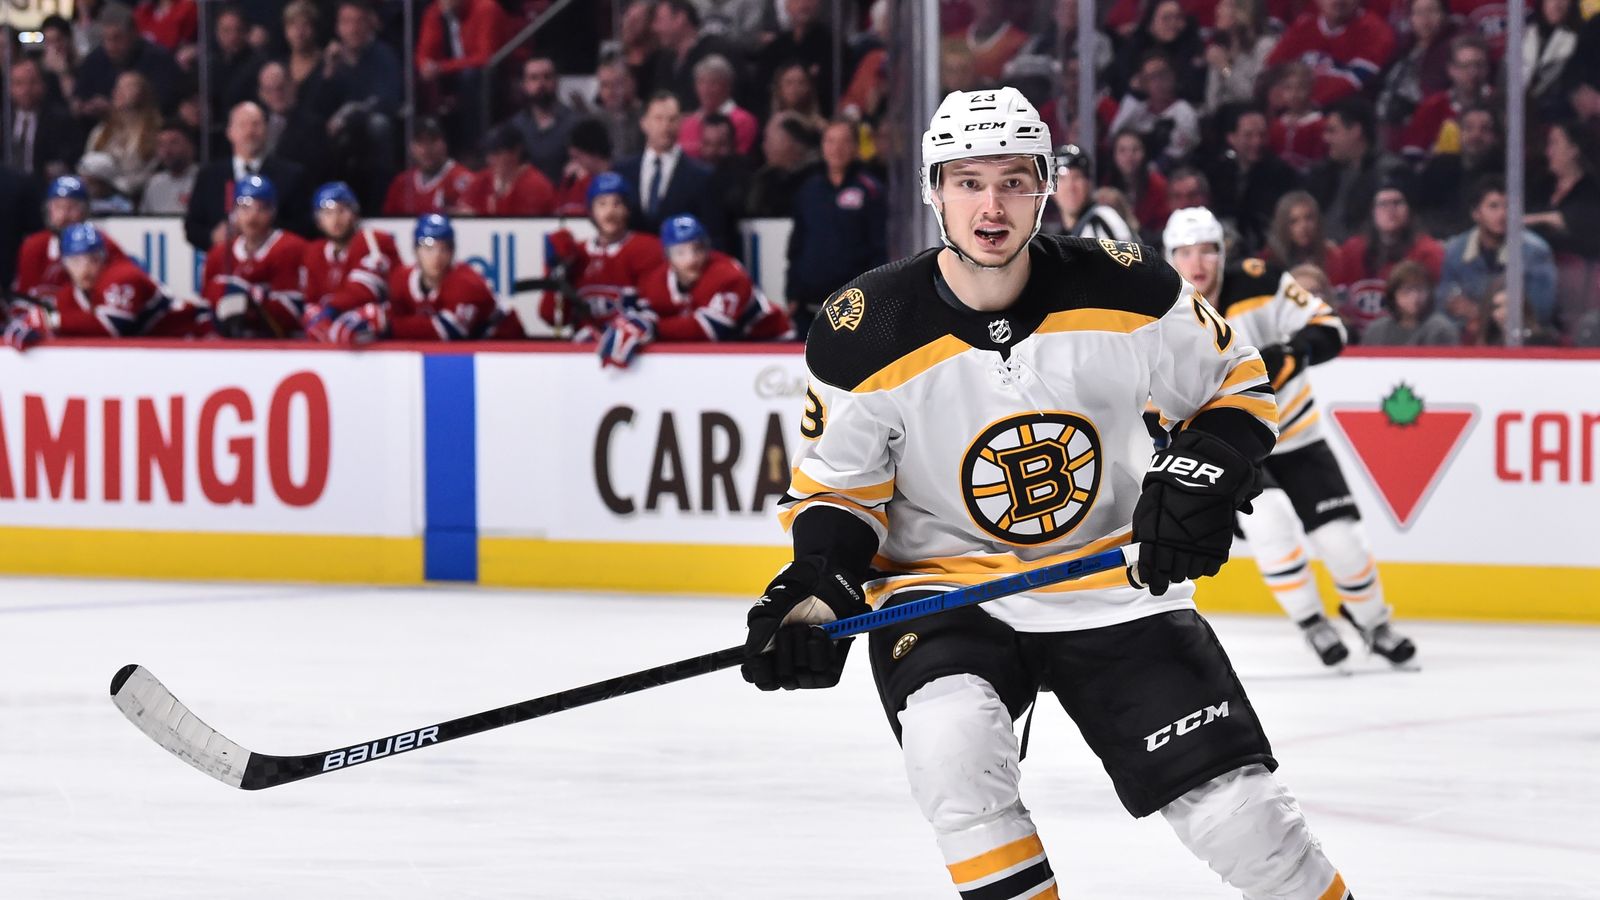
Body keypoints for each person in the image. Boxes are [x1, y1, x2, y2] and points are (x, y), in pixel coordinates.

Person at [740, 86, 1351, 900]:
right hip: (941, 592)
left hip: (1112, 578)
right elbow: (840, 494)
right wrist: (817, 584)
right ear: (933, 190)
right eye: (967, 182)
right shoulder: (864, 329)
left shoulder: (1130, 286)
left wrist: (1199, 475)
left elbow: (1237, 383)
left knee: (1248, 823)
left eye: (1013, 181)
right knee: (951, 752)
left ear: (1045, 188)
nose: (990, 207)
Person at [1164, 206, 1416, 669]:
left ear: (1223, 253)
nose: (1196, 262)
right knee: (1270, 524)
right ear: (1169, 256)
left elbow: (1330, 327)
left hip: (1297, 435)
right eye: (1184, 252)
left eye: (1207, 250)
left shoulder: (1260, 281)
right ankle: (1311, 621)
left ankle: (1374, 623)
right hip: (1234, 450)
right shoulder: (1158, 309)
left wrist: (1294, 351)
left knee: (1342, 540)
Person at [612, 213, 789, 366]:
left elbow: (711, 329)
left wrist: (653, 327)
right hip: (729, 348)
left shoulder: (729, 275)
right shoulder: (656, 280)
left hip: (772, 343)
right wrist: (635, 324)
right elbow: (646, 314)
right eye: (680, 252)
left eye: (698, 249)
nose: (691, 259)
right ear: (667, 256)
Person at [786, 121, 887, 335]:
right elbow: (797, 244)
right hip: (809, 301)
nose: (837, 149)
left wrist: (874, 294)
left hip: (853, 304)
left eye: (844, 142)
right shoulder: (809, 189)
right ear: (822, 146)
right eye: (830, 141)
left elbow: (879, 248)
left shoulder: (870, 189)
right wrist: (792, 292)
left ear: (856, 147)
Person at [4, 222, 172, 350]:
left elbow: (111, 328)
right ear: (64, 263)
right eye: (76, 261)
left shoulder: (123, 275)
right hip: (161, 353)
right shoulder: (69, 295)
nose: (85, 269)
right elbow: (70, 330)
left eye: (93, 259)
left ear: (104, 258)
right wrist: (33, 327)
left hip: (184, 337)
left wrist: (51, 320)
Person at [539, 172, 664, 336]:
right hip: (584, 345)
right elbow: (552, 318)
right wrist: (557, 271)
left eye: (617, 203)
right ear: (591, 211)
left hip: (631, 344)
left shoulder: (647, 249)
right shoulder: (577, 253)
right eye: (602, 204)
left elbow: (657, 310)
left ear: (627, 209)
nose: (610, 212)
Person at [185, 101, 308, 251]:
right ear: (229, 132)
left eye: (256, 124)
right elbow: (192, 227)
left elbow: (304, 226)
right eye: (242, 125)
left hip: (274, 260)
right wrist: (212, 236)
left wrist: (264, 234)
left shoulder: (291, 175)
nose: (250, 132)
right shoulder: (209, 176)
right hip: (224, 260)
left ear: (267, 130)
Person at [1439, 176, 1559, 329]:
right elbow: (1444, 300)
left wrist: (1480, 313)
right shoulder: (1456, 249)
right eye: (1493, 206)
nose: (1502, 214)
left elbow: (1541, 310)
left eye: (1508, 207)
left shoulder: (1535, 251)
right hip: (1468, 330)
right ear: (1476, 213)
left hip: (1520, 332)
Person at [200, 174, 309, 338]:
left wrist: (250, 298)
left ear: (273, 211)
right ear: (234, 212)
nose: (252, 216)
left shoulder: (291, 248)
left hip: (279, 342)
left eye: (262, 208)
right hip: (230, 343)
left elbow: (293, 312)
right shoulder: (218, 254)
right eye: (245, 207)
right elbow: (207, 307)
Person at [1336, 179, 1445, 336]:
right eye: (1383, 204)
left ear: (1409, 210)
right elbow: (1338, 298)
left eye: (1397, 203)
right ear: (1372, 211)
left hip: (1411, 336)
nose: (1391, 210)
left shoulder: (1428, 252)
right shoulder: (1351, 250)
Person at [300, 180, 402, 342]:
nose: (335, 219)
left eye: (341, 210)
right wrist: (316, 315)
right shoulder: (314, 252)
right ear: (318, 220)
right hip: (333, 323)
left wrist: (330, 309)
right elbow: (311, 299)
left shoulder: (374, 240)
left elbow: (365, 289)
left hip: (378, 332)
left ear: (354, 213)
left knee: (365, 318)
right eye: (327, 213)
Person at [380, 213, 500, 342]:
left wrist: (387, 326)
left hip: (502, 342)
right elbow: (388, 315)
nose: (436, 256)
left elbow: (450, 331)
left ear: (452, 252)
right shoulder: (401, 279)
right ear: (416, 250)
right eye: (428, 248)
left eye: (444, 248)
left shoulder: (467, 283)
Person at [614, 91, 717, 239]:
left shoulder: (701, 176)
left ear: (681, 123)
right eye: (658, 118)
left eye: (672, 119)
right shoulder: (622, 172)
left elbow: (712, 234)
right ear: (644, 123)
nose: (665, 126)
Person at [12, 175, 129, 301]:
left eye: (72, 207)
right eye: (58, 207)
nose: (63, 215)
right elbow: (25, 296)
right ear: (48, 210)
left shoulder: (102, 244)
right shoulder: (33, 246)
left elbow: (124, 283)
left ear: (85, 210)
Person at [1205, 104, 1302, 254]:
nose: (1257, 142)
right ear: (1231, 138)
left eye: (1262, 135)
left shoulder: (1283, 174)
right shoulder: (1217, 171)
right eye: (1248, 135)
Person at [1266, 0, 1396, 105]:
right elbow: (1272, 70)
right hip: (1295, 109)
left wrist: (1301, 100)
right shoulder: (1304, 24)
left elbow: (1353, 82)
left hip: (1342, 112)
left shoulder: (1376, 31)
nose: (1339, 1)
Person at [1398, 35, 1493, 158]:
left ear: (1487, 68)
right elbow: (1412, 152)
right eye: (1465, 66)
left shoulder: (1500, 102)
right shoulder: (1432, 106)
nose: (1473, 72)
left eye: (1479, 65)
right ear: (1451, 69)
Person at [83, 70, 161, 197]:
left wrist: (121, 186)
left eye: (129, 86)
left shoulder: (154, 131)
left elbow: (152, 171)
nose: (119, 91)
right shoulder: (101, 130)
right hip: (101, 195)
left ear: (143, 93)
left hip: (139, 195)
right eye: (118, 86)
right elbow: (88, 164)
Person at [7, 57, 84, 183]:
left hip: (44, 186)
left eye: (32, 82)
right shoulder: (4, 121)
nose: (26, 90)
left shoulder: (61, 120)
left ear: (43, 85)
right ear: (10, 88)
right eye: (19, 83)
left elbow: (72, 158)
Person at [505, 56, 579, 184]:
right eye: (534, 78)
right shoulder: (515, 126)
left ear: (556, 81)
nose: (541, 84)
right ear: (524, 84)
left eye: (547, 77)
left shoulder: (575, 123)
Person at [383, 117, 475, 216]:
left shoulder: (464, 179)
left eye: (433, 140)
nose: (426, 148)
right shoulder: (401, 183)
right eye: (420, 142)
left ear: (445, 144)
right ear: (411, 147)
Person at [458, 126, 556, 216]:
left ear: (516, 152)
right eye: (488, 154)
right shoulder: (482, 180)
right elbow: (463, 209)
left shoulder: (537, 186)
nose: (490, 160)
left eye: (497, 153)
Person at [1048, 143, 1136, 241]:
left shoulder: (1103, 219)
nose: (1070, 187)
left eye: (1077, 177)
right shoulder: (1061, 235)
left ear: (1089, 183)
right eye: (1062, 178)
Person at [1363, 260, 1462, 345]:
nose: (1415, 297)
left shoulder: (1441, 331)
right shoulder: (1376, 331)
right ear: (1393, 295)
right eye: (1407, 291)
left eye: (1420, 290)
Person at [678, 54, 758, 160]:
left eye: (713, 83)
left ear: (728, 86)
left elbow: (736, 159)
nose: (706, 89)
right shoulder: (686, 122)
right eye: (701, 82)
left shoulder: (744, 121)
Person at [1264, 191, 1352, 283]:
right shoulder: (1268, 260)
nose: (1303, 226)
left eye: (1309, 218)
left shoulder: (1333, 256)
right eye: (1294, 221)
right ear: (1283, 225)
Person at [138, 121, 197, 214]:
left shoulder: (205, 180)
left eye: (174, 143)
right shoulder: (154, 183)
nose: (167, 150)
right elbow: (144, 219)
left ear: (190, 146)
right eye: (161, 144)